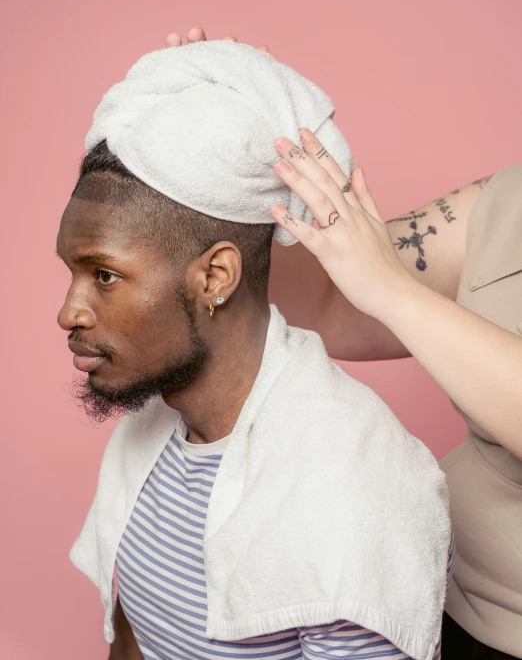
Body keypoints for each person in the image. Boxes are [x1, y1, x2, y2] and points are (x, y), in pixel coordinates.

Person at [60, 41, 451, 660]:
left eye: (104, 275)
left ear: (215, 277)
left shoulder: (352, 489)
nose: (68, 313)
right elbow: (134, 633)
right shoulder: (152, 435)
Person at [164, 29, 522, 659]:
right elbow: (335, 298)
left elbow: (380, 288)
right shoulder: (509, 204)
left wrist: (393, 290)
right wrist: (241, 154)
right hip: (435, 606)